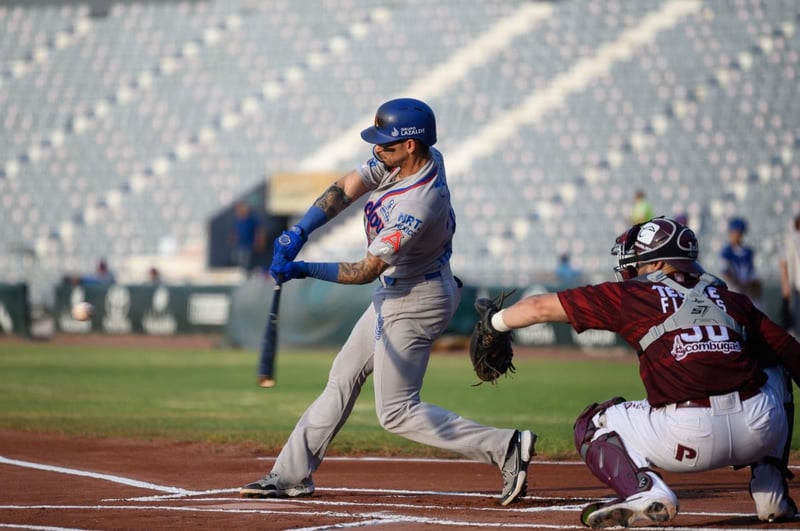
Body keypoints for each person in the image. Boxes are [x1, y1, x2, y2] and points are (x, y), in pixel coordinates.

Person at [240, 97, 535, 506]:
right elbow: (347, 188)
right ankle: (291, 474)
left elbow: (366, 269)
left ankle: (505, 446)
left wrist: (303, 269)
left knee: (396, 411)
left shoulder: (419, 202)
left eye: (387, 144)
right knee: (342, 377)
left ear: (411, 145)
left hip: (416, 299)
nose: (378, 150)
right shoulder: (406, 160)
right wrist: (300, 230)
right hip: (402, 289)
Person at [477, 217, 799, 527]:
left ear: (658, 264)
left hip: (685, 440)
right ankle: (771, 492)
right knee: (776, 370)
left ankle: (644, 489)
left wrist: (494, 324)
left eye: (640, 261)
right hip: (759, 429)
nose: (634, 268)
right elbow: (792, 354)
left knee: (593, 423)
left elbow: (538, 307)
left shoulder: (633, 295)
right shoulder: (731, 298)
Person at [720, 216, 764, 311]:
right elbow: (725, 272)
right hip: (733, 289)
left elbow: (752, 271)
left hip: (747, 289)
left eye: (739, 232)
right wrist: (738, 283)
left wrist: (752, 283)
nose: (737, 235)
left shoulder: (748, 251)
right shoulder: (726, 251)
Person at [229, 201, 265, 273]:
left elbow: (258, 231)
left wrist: (258, 242)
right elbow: (234, 231)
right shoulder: (237, 220)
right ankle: (240, 272)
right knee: (236, 259)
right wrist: (232, 239)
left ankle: (246, 273)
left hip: (248, 244)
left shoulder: (252, 219)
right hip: (238, 244)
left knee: (246, 261)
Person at [780, 213, 800, 338]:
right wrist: (785, 284)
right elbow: (784, 262)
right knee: (796, 321)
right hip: (796, 288)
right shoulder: (792, 239)